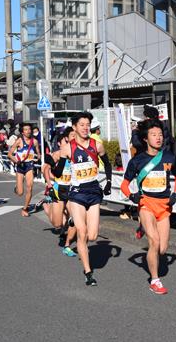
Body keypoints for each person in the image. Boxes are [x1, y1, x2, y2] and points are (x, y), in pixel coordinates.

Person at [121, 119, 176, 295]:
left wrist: (175, 194)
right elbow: (125, 184)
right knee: (154, 242)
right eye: (153, 135)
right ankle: (154, 280)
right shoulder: (137, 161)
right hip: (146, 204)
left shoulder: (170, 157)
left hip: (164, 207)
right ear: (146, 139)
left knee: (162, 249)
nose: (158, 138)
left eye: (160, 135)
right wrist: (131, 196)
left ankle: (143, 228)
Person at [59, 112, 113, 286]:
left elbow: (108, 163)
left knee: (93, 235)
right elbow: (58, 171)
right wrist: (55, 173)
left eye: (87, 124)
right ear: (74, 127)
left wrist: (109, 182)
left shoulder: (97, 145)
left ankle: (75, 219)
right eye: (81, 124)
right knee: (82, 234)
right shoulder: (68, 148)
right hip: (77, 193)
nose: (85, 127)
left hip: (94, 192)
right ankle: (88, 272)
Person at [42, 126, 77, 257]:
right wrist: (50, 184)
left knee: (76, 220)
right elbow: (46, 169)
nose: (75, 137)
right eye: (73, 135)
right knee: (58, 224)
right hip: (59, 189)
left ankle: (67, 245)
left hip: (73, 190)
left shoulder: (79, 152)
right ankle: (47, 206)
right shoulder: (58, 154)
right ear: (67, 138)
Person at [8, 123, 40, 217]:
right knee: (20, 193)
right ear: (22, 131)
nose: (28, 131)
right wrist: (16, 160)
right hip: (20, 165)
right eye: (26, 129)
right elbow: (9, 154)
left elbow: (38, 152)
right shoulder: (19, 141)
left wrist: (38, 157)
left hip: (29, 165)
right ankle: (17, 188)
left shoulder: (34, 141)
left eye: (29, 129)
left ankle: (25, 208)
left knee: (30, 187)